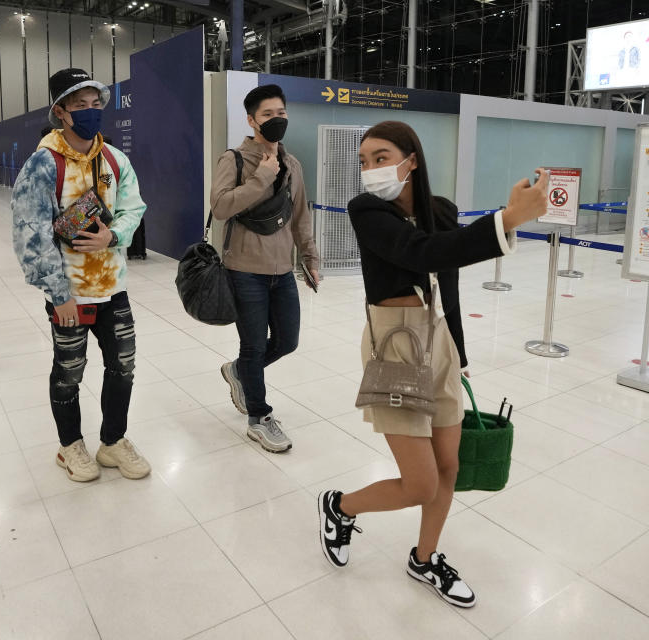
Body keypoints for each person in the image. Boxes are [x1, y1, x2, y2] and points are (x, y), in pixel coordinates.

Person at [316, 120, 549, 608]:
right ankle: (339, 507)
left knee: (448, 466)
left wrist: (459, 352)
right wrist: (505, 221)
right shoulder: (366, 210)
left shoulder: (441, 210)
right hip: (394, 342)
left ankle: (424, 559)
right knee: (419, 482)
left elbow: (451, 279)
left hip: (439, 340)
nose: (370, 170)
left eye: (381, 157)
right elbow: (418, 252)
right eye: (364, 161)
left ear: (411, 160)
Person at [11, 68, 149, 483]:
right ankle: (70, 445)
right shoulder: (43, 164)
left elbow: (133, 207)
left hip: (113, 288)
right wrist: (59, 294)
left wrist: (114, 234)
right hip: (68, 293)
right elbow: (29, 236)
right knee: (69, 371)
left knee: (123, 366)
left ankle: (112, 441)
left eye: (95, 104)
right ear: (61, 112)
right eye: (79, 105)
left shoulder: (114, 159)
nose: (90, 113)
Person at [209, 84, 320, 454]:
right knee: (253, 346)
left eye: (282, 113)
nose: (277, 120)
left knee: (288, 341)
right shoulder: (235, 159)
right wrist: (261, 179)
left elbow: (301, 216)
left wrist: (310, 259)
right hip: (244, 270)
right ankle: (259, 417)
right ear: (252, 120)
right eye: (269, 114)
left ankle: (239, 372)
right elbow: (222, 207)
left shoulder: (293, 165)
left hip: (282, 271)